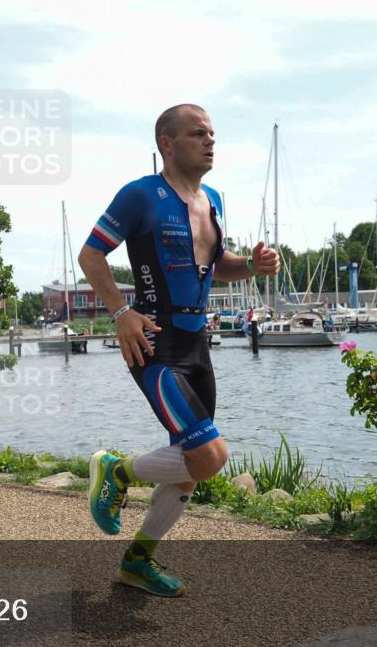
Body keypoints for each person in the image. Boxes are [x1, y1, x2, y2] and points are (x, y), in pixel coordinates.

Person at [78, 104, 279, 596]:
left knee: (188, 469)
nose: (210, 141)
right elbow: (90, 254)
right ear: (167, 143)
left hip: (198, 345)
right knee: (210, 456)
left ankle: (138, 561)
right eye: (197, 134)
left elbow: (216, 267)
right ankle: (116, 469)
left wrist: (252, 266)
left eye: (213, 133)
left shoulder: (211, 200)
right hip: (155, 342)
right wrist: (121, 313)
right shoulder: (141, 195)